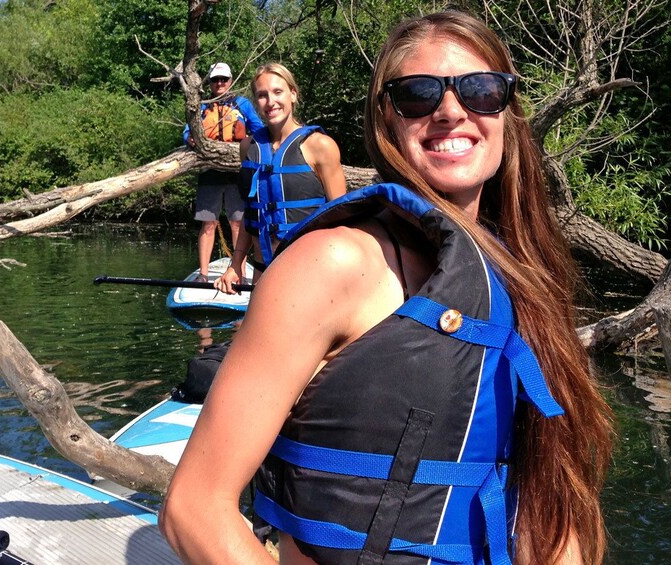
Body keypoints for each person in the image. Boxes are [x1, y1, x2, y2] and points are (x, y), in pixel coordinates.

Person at [161, 10, 613, 565]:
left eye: (481, 90)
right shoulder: (336, 263)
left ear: (508, 111)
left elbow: (551, 498)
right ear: (387, 119)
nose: (451, 110)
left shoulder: (523, 271)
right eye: (418, 94)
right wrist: (239, 263)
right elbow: (193, 507)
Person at [214, 62, 345, 292]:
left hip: (311, 272)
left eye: (277, 92)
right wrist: (236, 264)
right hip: (263, 271)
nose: (271, 102)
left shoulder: (320, 146)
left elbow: (342, 222)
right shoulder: (248, 147)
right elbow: (251, 211)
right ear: (256, 103)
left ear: (293, 94)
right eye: (262, 95)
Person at [184, 62, 265, 282]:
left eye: (224, 80)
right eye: (215, 80)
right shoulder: (201, 106)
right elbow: (187, 131)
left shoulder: (242, 105)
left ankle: (236, 269)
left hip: (234, 170)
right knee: (208, 223)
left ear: (230, 82)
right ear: (210, 83)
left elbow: (258, 128)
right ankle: (203, 273)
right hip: (210, 169)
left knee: (237, 222)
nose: (220, 83)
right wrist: (188, 138)